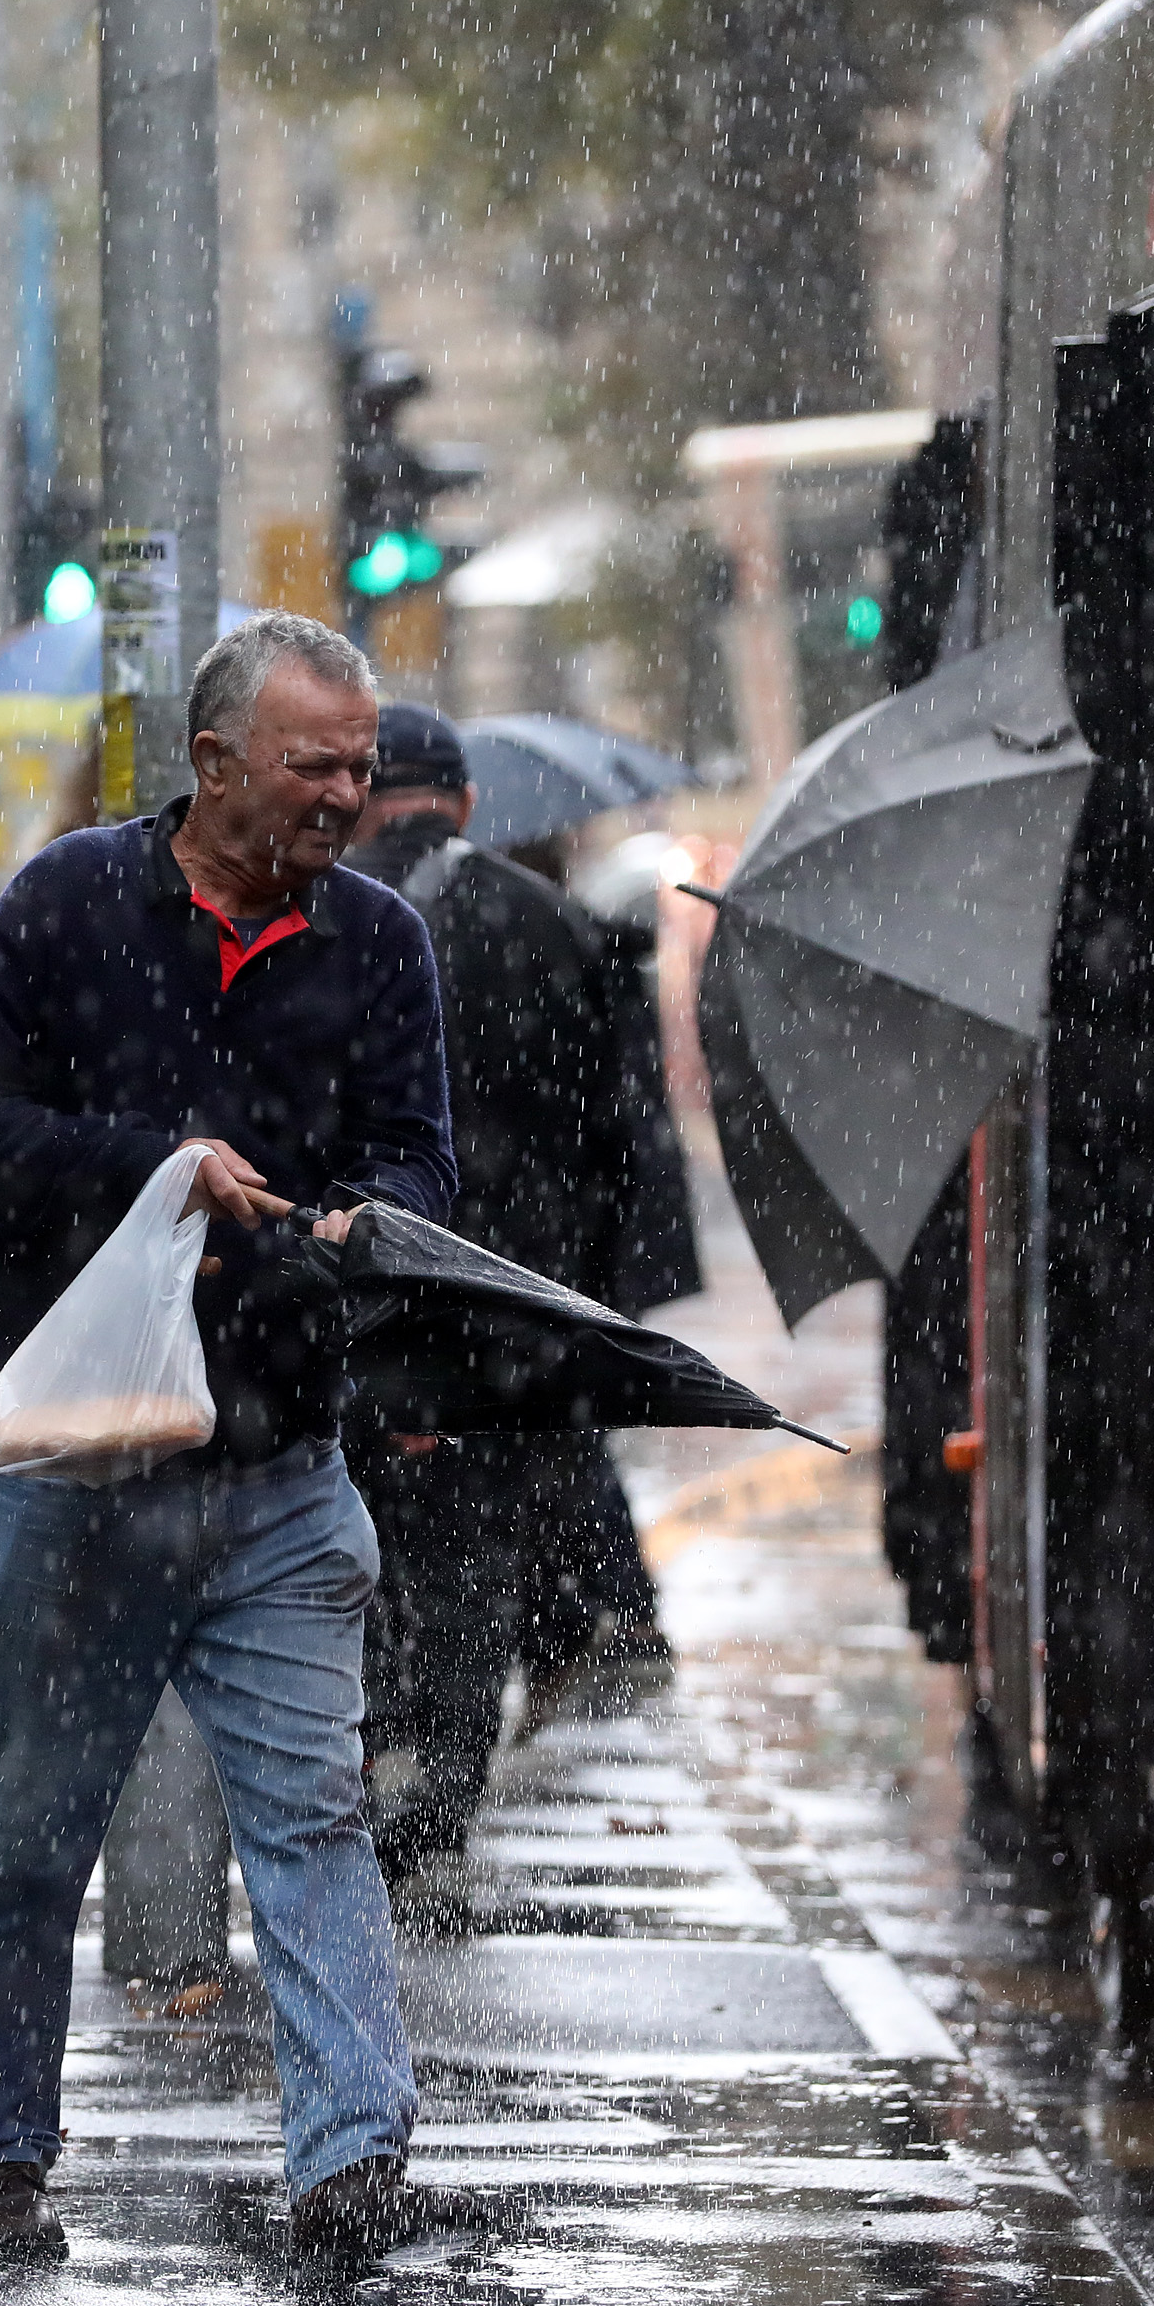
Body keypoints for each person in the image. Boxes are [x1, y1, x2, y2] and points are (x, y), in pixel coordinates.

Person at [0, 612, 486, 2269]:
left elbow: (421, 1158)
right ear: (213, 760)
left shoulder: (377, 943)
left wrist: (367, 1221)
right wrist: (161, 1167)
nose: (349, 795)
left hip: (280, 1474)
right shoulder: (68, 907)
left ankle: (353, 2160)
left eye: (364, 767)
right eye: (317, 765)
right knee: (17, 1836)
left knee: (311, 1815)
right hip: (69, 1465)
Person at [336, 706, 687, 1913]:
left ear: (359, 789)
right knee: (469, 1551)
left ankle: (365, 1764)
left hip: (360, 1289)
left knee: (348, 1542)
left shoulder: (323, 909)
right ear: (470, 805)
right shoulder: (553, 927)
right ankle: (437, 1810)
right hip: (503, 1303)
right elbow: (613, 1139)